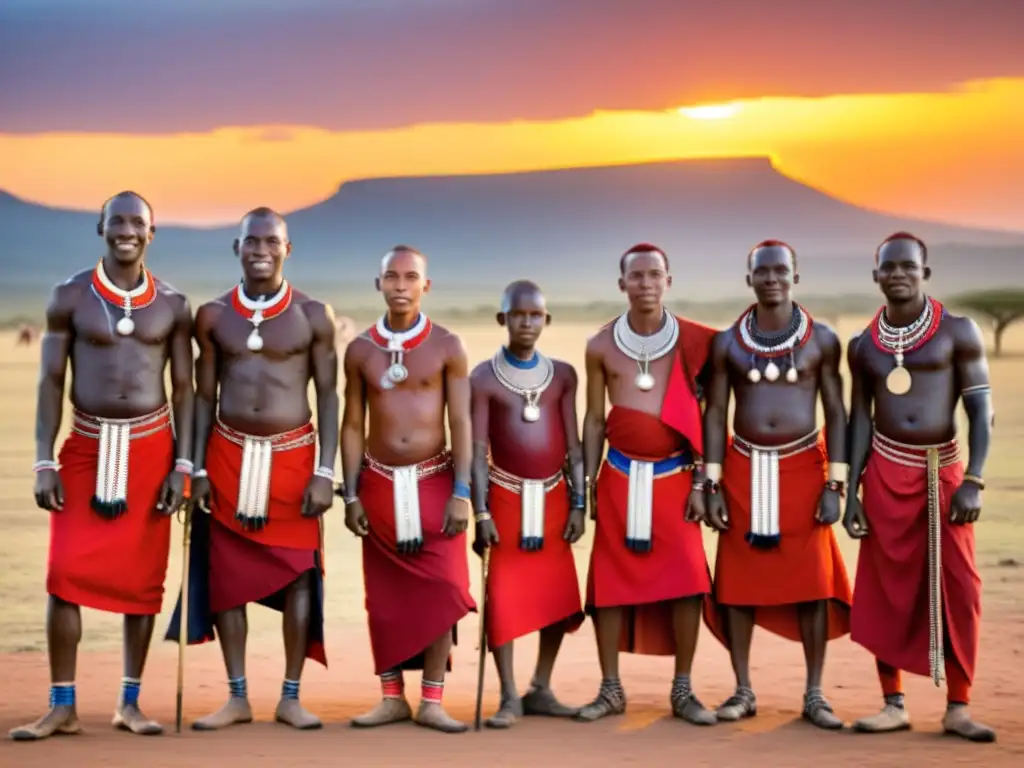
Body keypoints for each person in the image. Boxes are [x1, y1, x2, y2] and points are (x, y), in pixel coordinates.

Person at [10, 191, 194, 741]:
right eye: (118, 221)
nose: (127, 231)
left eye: (138, 222)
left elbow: (184, 389)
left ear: (152, 233)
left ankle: (129, 703)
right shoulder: (69, 296)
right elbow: (50, 382)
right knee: (63, 575)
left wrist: (183, 464)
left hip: (152, 451)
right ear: (101, 228)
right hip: (86, 449)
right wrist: (44, 459)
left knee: (142, 583)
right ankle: (61, 705)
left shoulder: (174, 304)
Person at [165, 208, 337, 731]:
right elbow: (201, 395)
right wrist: (191, 467)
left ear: (289, 249)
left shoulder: (314, 315)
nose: (261, 249)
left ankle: (290, 696)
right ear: (235, 248)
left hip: (294, 457)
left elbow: (328, 395)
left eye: (271, 241)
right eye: (250, 241)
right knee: (228, 576)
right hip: (227, 455)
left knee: (299, 576)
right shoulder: (213, 316)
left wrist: (325, 472)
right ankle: (237, 696)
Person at [844, 232, 995, 743]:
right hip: (885, 472)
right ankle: (893, 704)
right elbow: (859, 422)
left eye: (909, 266)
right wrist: (851, 493)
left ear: (925, 273)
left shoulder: (959, 331)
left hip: (943, 473)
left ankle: (958, 706)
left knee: (960, 588)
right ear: (876, 276)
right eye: (889, 267)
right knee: (887, 590)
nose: (898, 274)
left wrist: (974, 480)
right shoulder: (863, 346)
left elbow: (981, 411)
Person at [702, 240, 852, 729]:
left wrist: (836, 484)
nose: (771, 279)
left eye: (780, 271)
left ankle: (814, 694)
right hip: (743, 468)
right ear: (749, 279)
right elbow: (716, 411)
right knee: (738, 585)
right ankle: (743, 689)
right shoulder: (727, 343)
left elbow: (836, 411)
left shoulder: (822, 339)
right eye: (761, 272)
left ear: (795, 276)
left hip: (805, 469)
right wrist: (713, 481)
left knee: (813, 583)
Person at [578, 243, 718, 725]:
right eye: (635, 276)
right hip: (617, 476)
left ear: (668, 281)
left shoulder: (697, 342)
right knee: (609, 583)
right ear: (621, 284)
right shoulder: (599, 345)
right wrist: (587, 485)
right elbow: (594, 421)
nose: (645, 283)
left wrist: (704, 480)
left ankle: (683, 689)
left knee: (688, 581)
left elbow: (711, 416)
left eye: (654, 275)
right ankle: (611, 688)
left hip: (677, 478)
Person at [340, 245, 476, 734]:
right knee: (385, 596)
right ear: (379, 284)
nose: (400, 285)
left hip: (435, 481)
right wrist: (351, 493)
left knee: (444, 587)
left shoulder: (447, 345)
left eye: (410, 277)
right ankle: (392, 697)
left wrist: (463, 490)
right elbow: (353, 424)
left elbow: (460, 421)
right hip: (377, 483)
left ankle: (433, 700)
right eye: (391, 277)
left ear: (426, 285)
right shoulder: (359, 350)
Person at [470, 280, 587, 728]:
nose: (526, 322)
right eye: (517, 314)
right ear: (503, 319)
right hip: (504, 498)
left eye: (535, 315)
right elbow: (478, 450)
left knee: (555, 596)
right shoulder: (482, 378)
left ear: (546, 320)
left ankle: (540, 686)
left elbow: (574, 447)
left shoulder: (563, 376)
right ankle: (506, 695)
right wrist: (481, 513)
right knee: (502, 597)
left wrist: (579, 503)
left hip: (555, 499)